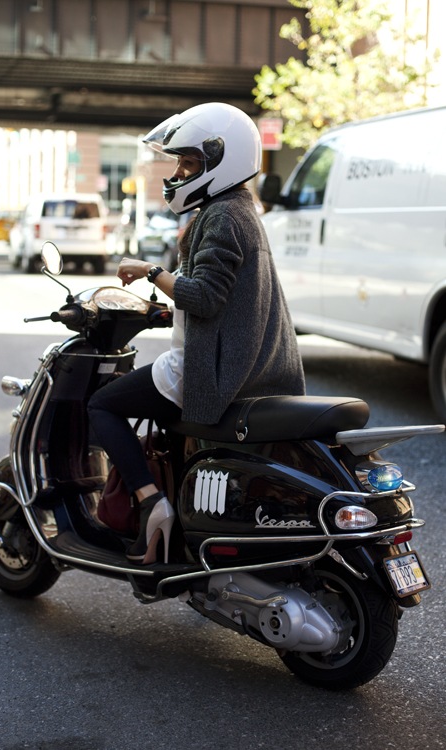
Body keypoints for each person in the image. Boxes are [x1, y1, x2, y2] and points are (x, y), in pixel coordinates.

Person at [87, 102, 305, 565]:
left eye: (188, 163)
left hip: (210, 371)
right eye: (180, 163)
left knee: (102, 405)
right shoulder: (238, 209)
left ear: (221, 162)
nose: (178, 174)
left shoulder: (223, 215)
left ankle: (151, 502)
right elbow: (225, 301)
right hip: (243, 364)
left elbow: (204, 296)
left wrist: (151, 271)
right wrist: (164, 309)